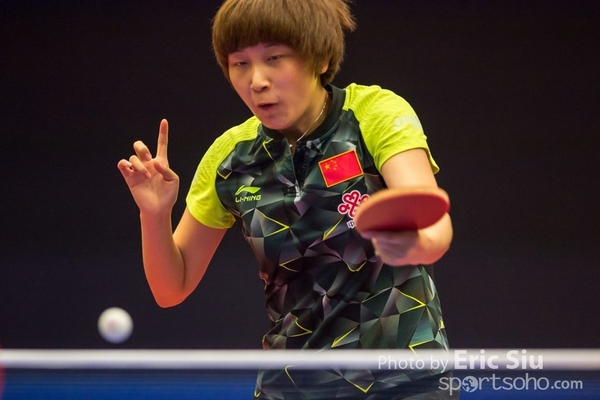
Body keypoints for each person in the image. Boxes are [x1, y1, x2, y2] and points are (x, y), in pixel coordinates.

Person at [117, 0, 455, 398]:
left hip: (403, 380)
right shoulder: (231, 158)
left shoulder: (373, 115)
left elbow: (433, 224)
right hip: (293, 386)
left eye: (274, 58)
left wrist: (414, 243)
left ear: (320, 59)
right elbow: (171, 288)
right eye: (240, 63)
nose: (256, 80)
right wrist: (155, 215)